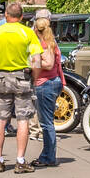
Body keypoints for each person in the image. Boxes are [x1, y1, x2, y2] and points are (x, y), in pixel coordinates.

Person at [0, 1, 42, 173]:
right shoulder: (27, 32)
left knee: (0, 119)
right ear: (22, 17)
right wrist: (35, 78)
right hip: (22, 78)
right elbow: (37, 59)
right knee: (23, 119)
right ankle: (20, 160)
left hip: (2, 76)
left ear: (7, 16)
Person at [31, 16, 65, 167]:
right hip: (53, 82)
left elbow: (49, 63)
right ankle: (47, 154)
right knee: (47, 122)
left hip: (45, 84)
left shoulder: (43, 43)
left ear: (36, 30)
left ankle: (48, 157)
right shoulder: (52, 42)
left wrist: (31, 62)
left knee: (46, 123)